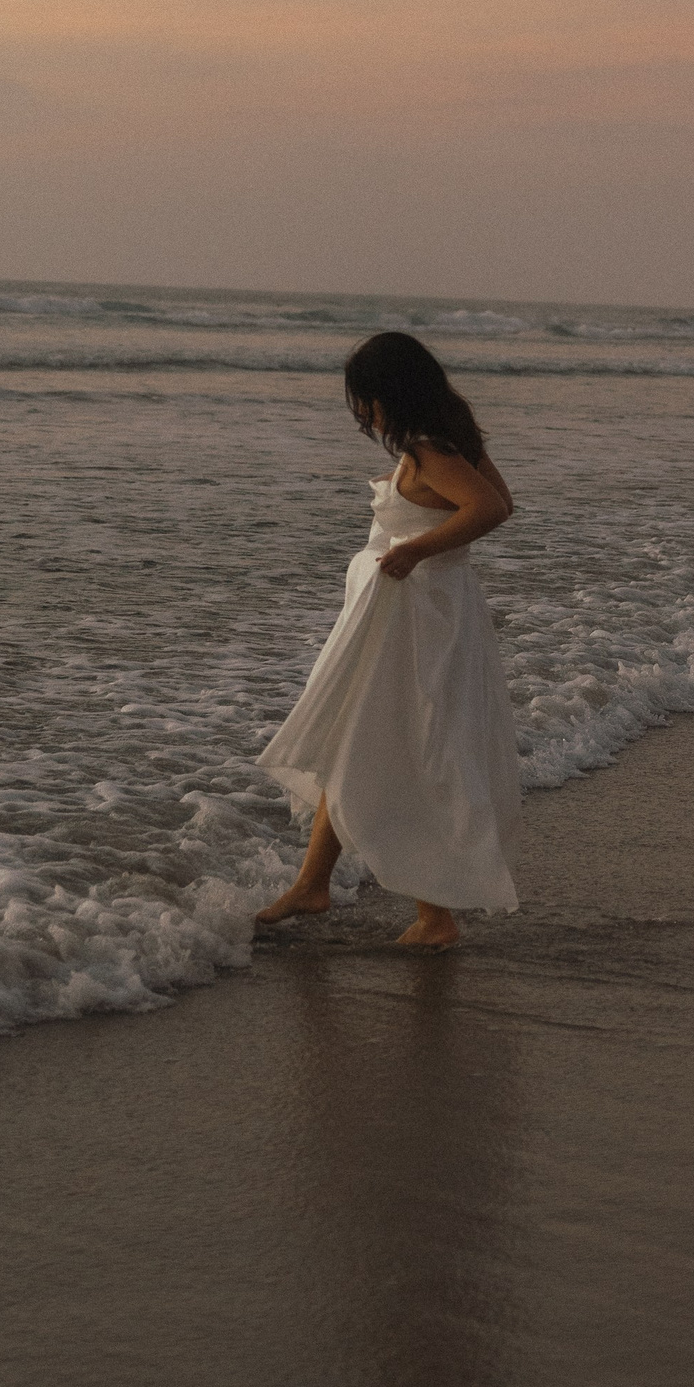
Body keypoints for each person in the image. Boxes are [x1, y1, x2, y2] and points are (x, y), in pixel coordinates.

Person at [255, 330, 522, 949]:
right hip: (421, 618)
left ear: (391, 394)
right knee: (356, 743)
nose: (362, 412)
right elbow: (499, 499)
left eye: (366, 399)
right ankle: (314, 885)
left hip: (415, 627)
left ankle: (434, 918)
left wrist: (415, 549)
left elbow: (491, 509)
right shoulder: (445, 444)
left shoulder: (431, 451)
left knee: (392, 750)